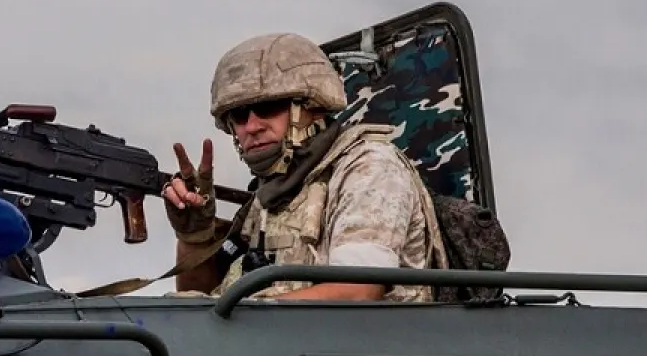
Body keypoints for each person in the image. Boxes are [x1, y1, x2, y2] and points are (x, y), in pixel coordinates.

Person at [163, 32, 446, 302]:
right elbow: (203, 306)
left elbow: (358, 292)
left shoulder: (369, 167)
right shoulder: (270, 195)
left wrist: (246, 315)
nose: (251, 126)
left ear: (312, 106)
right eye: (238, 115)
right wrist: (195, 239)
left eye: (268, 107)